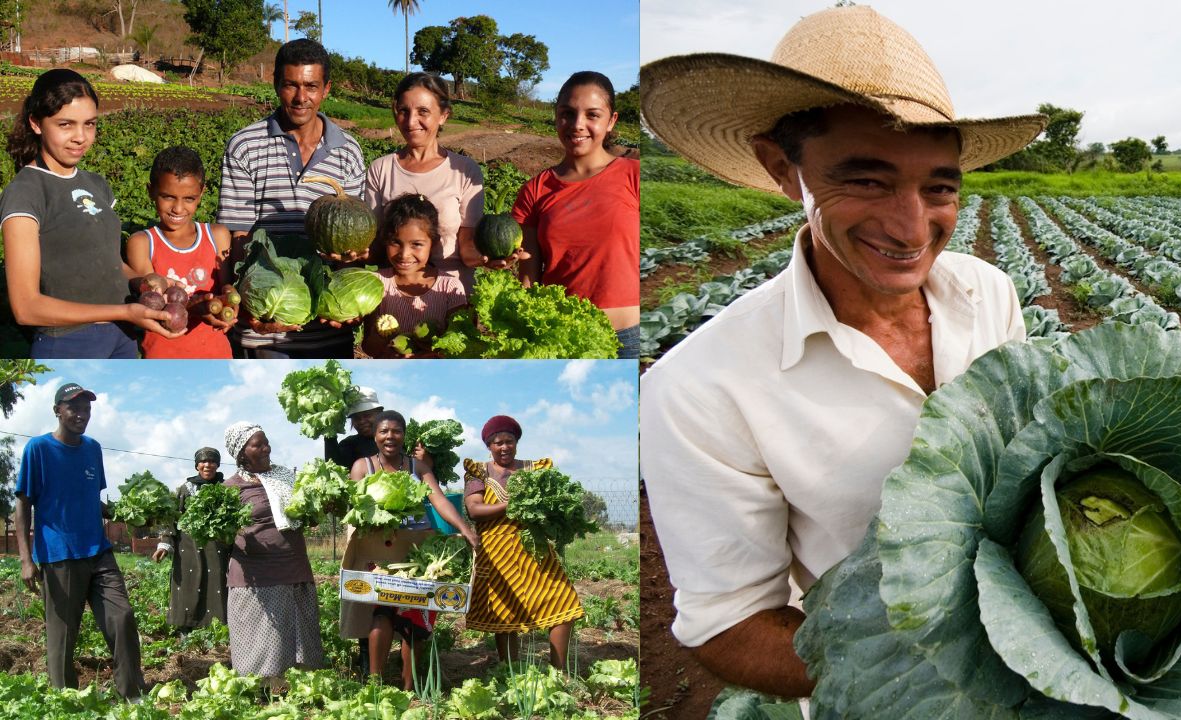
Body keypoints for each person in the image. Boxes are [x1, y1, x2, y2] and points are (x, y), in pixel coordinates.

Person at [638, 6, 1047, 699]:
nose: (911, 226)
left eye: (939, 186)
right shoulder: (699, 386)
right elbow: (729, 625)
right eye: (867, 181)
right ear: (781, 167)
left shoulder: (992, 295)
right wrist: (923, 674)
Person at [0, 69, 181, 358]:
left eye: (90, 124)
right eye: (66, 124)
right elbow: (26, 307)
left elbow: (110, 264)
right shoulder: (26, 191)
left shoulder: (96, 184)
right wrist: (123, 310)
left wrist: (143, 281)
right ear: (36, 123)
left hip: (122, 335)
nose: (80, 137)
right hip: (69, 342)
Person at [216, 38, 366, 358]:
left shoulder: (348, 151)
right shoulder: (244, 145)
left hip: (329, 329)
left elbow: (353, 235)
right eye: (290, 85)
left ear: (326, 89)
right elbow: (238, 235)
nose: (301, 98)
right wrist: (256, 305)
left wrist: (351, 281)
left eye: (311, 86)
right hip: (264, 330)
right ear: (275, 85)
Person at [13, 382, 145, 699]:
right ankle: (65, 701)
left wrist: (129, 511)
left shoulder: (93, 448)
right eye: (73, 407)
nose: (81, 414)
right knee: (63, 636)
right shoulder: (39, 449)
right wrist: (26, 559)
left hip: (98, 550)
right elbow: (23, 504)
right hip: (59, 553)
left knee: (122, 616)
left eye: (86, 409)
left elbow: (92, 499)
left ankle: (133, 695)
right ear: (57, 410)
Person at [339, 410, 478, 688]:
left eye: (396, 431)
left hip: (416, 552)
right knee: (381, 614)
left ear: (404, 435)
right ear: (375, 436)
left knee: (415, 619)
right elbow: (355, 506)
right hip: (378, 551)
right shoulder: (362, 466)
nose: (390, 436)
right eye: (384, 431)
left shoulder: (418, 467)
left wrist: (465, 529)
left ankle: (409, 687)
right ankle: (375, 684)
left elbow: (438, 500)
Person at [512, 71, 639, 358]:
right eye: (567, 114)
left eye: (592, 115)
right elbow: (528, 279)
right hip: (563, 339)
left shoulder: (634, 176)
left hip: (630, 340)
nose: (577, 125)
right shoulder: (535, 190)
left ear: (611, 121)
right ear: (556, 117)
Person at [364, 73, 520, 293]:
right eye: (403, 111)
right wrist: (352, 254)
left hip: (451, 295)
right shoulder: (380, 169)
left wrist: (488, 258)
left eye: (423, 112)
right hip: (393, 295)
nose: (410, 122)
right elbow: (378, 245)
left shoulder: (465, 171)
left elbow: (466, 248)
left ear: (444, 115)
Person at [462, 415, 583, 670]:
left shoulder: (535, 469)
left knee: (564, 602)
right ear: (489, 446)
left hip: (533, 548)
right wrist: (511, 505)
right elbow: (474, 509)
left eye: (509, 441)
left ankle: (559, 671)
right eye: (497, 443)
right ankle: (511, 670)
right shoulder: (478, 472)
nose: (504, 447)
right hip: (495, 551)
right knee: (504, 614)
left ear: (516, 442)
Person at [222, 422, 324, 682]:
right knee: (259, 630)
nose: (267, 448)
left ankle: (299, 683)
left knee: (299, 628)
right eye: (258, 444)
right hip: (256, 572)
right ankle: (259, 684)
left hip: (293, 565)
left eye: (266, 441)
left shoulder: (287, 478)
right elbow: (221, 535)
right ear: (241, 452)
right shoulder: (230, 488)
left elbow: (308, 518)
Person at [125, 146, 235, 358]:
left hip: (216, 355)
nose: (178, 208)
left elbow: (227, 293)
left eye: (189, 199)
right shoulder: (142, 243)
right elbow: (152, 307)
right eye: (168, 197)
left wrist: (229, 304)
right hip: (163, 356)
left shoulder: (217, 235)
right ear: (150, 192)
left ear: (202, 194)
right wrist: (195, 309)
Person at [360, 194, 468, 358]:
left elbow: (459, 343)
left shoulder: (450, 288)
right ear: (384, 240)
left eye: (416, 244)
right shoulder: (376, 283)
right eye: (395, 242)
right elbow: (369, 344)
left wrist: (429, 355)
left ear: (434, 243)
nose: (404, 254)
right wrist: (389, 349)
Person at [153, 447, 230, 632]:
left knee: (217, 585)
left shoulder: (227, 488)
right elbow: (170, 518)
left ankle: (217, 630)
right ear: (197, 465)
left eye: (212, 461)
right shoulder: (184, 489)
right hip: (187, 548)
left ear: (218, 465)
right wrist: (164, 544)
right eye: (203, 462)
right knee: (188, 584)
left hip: (218, 547)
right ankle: (185, 629)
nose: (207, 465)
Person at [323, 386, 382, 472]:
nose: (362, 421)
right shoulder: (349, 445)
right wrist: (330, 433)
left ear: (380, 414)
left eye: (367, 415)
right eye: (356, 418)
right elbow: (334, 470)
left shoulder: (397, 440)